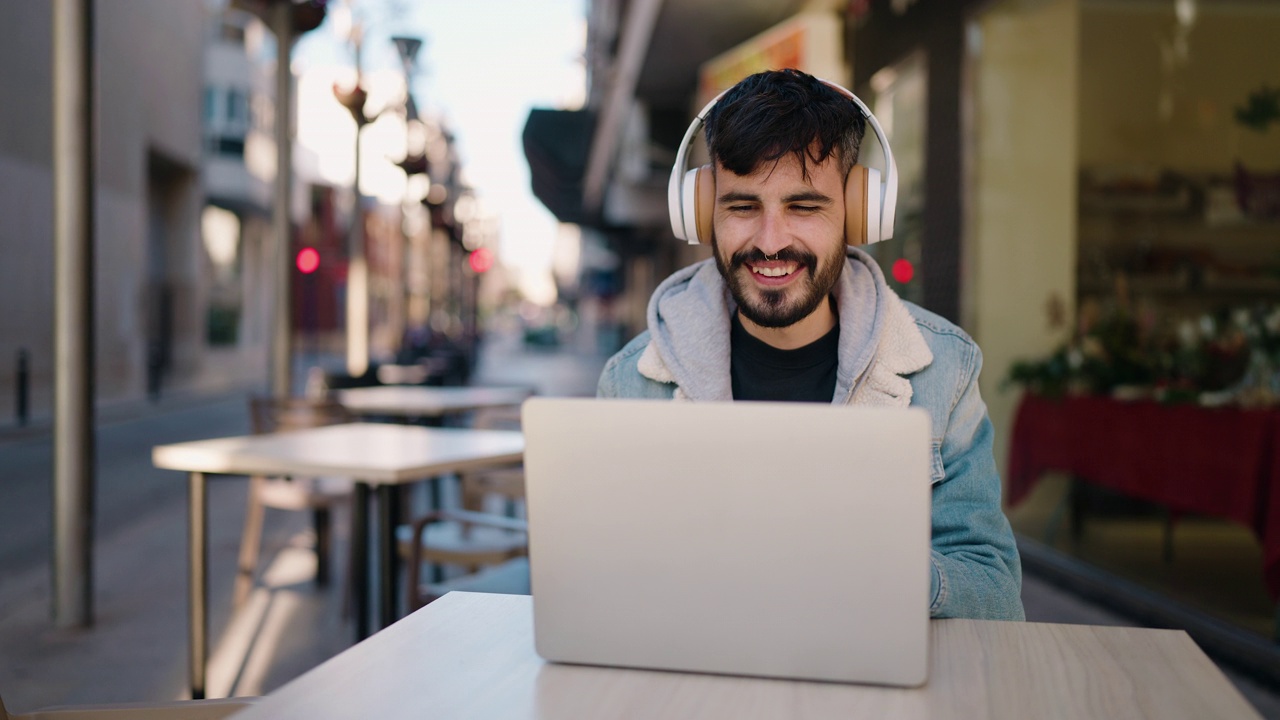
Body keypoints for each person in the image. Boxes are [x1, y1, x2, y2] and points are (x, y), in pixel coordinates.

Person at [596, 68, 1024, 621]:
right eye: (743, 207)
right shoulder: (630, 381)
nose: (771, 242)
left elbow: (994, 591)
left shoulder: (944, 368)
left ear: (858, 213)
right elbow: (602, 583)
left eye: (804, 206)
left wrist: (870, 569)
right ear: (702, 213)